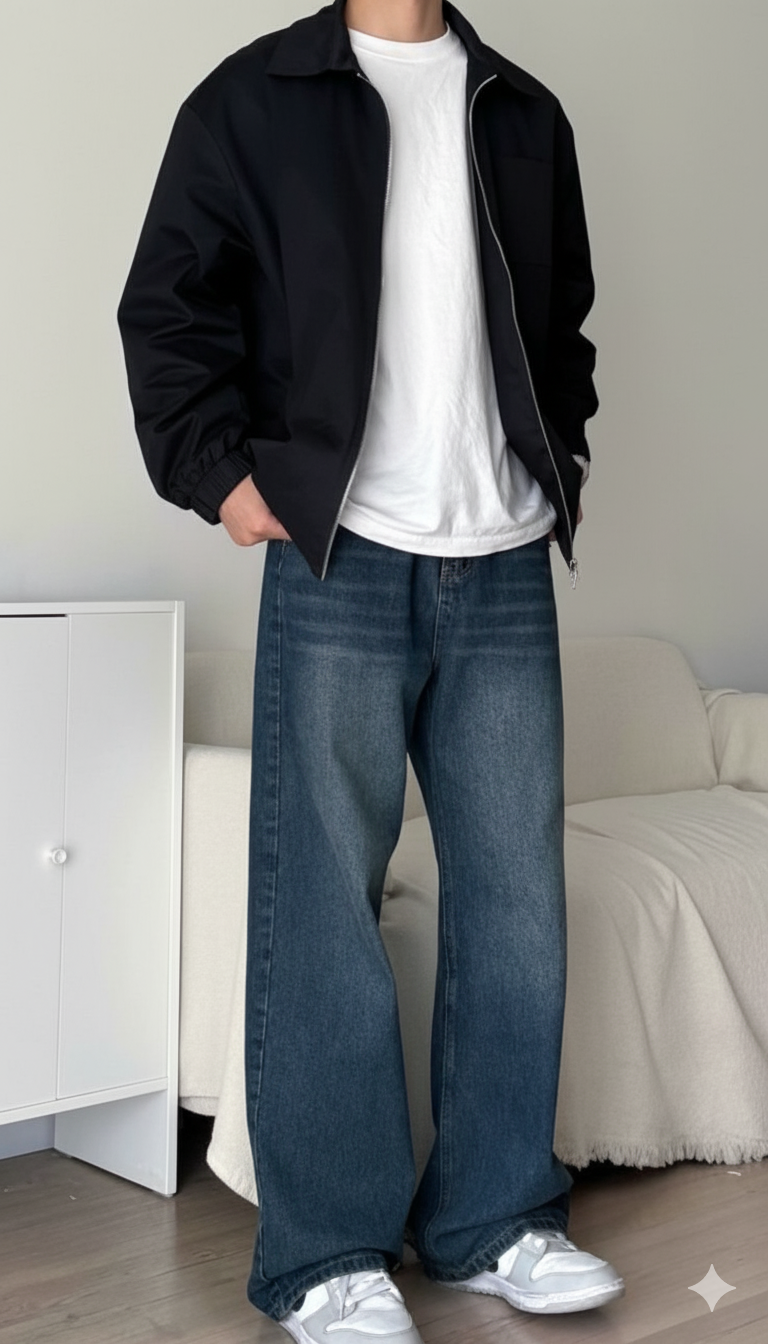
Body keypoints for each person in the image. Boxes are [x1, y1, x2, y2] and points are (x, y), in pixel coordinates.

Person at [117, 0, 626, 1338]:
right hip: (339, 553)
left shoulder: (522, 110)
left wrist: (554, 458)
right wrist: (225, 480)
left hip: (502, 556)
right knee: (323, 907)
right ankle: (327, 1256)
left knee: (516, 900)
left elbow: (563, 327)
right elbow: (166, 307)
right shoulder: (252, 100)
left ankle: (497, 1220)